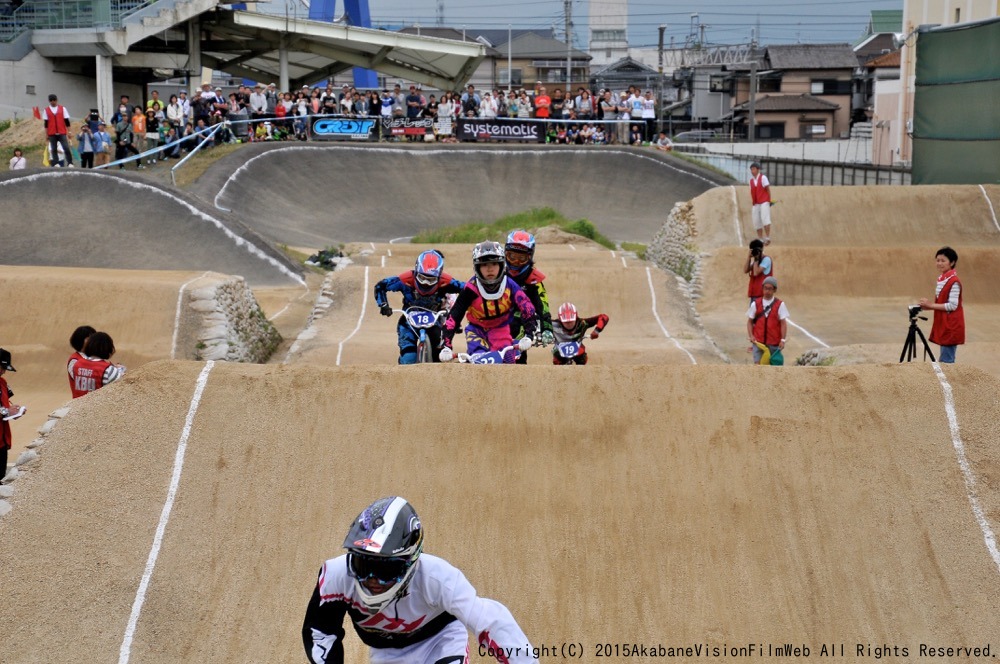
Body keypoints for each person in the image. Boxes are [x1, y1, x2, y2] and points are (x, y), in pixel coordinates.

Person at [302, 496, 538, 664]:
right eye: (363, 565)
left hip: (440, 642)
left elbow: (491, 621)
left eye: (385, 570)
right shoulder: (336, 576)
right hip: (387, 654)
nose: (372, 580)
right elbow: (320, 631)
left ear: (410, 563)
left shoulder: (438, 578)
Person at [440, 241, 538, 364]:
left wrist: (528, 336)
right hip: (476, 331)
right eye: (484, 264)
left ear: (501, 265)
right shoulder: (470, 288)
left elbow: (527, 307)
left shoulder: (510, 284)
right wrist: (446, 347)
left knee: (509, 363)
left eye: (494, 264)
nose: (490, 269)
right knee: (478, 365)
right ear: (477, 267)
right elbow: (454, 317)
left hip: (501, 329)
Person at [373, 250, 465, 364]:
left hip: (434, 321)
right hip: (408, 322)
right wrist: (383, 305)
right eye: (422, 278)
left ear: (439, 276)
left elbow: (469, 290)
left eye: (431, 280)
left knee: (440, 358)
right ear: (416, 272)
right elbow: (380, 286)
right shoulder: (405, 279)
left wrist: (459, 310)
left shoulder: (446, 281)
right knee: (408, 358)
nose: (426, 283)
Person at [504, 230, 553, 364]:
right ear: (505, 253)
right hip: (495, 320)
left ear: (529, 257)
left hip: (522, 323)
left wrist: (547, 328)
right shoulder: (497, 272)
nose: (516, 262)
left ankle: (518, 367)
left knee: (517, 330)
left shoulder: (534, 279)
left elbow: (543, 305)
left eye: (522, 258)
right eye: (512, 256)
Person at [919, 246, 964, 363]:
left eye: (943, 260)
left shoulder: (954, 281)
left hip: (951, 325)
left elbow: (953, 305)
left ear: (952, 262)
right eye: (937, 260)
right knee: (945, 359)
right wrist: (928, 307)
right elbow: (943, 303)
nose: (939, 263)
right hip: (944, 323)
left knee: (946, 361)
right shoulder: (942, 279)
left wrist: (931, 305)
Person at [67, 331, 126, 398]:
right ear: (109, 348)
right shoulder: (108, 369)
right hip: (97, 407)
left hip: (76, 406)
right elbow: (120, 387)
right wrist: (120, 370)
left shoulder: (77, 364)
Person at [746, 276, 788, 365]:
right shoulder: (755, 304)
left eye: (770, 289)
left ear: (774, 290)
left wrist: (783, 340)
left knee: (773, 369)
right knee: (758, 367)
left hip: (773, 343)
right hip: (758, 342)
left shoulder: (780, 305)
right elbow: (749, 321)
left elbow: (783, 323)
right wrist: (751, 335)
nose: (767, 291)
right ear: (762, 288)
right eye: (765, 288)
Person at [1, 348, 27, 480]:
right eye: (2, 367)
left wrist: (14, 410)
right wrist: (6, 411)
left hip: (2, 440)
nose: (4, 371)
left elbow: (4, 404)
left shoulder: (2, 382)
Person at [43, 94, 74, 168]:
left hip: (62, 132)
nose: (53, 102)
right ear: (49, 101)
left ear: (56, 100)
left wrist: (69, 131)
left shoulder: (62, 109)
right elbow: (46, 124)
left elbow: (67, 121)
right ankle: (56, 163)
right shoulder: (46, 110)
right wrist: (46, 134)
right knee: (53, 149)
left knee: (66, 147)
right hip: (52, 132)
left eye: (54, 100)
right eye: (51, 101)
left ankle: (70, 162)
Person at [749, 161, 772, 245]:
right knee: (756, 220)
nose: (752, 171)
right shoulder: (751, 181)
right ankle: (760, 238)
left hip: (764, 201)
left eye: (753, 169)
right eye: (751, 169)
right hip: (756, 203)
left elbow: (767, 189)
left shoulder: (763, 178)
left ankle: (768, 237)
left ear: (758, 170)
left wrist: (769, 200)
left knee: (765, 218)